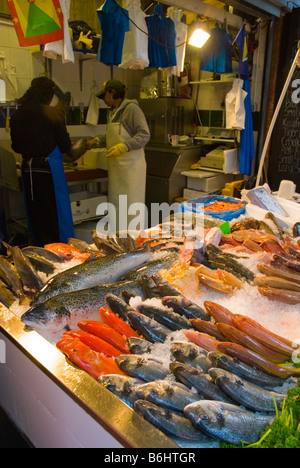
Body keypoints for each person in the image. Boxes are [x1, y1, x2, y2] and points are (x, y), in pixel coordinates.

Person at [10, 76, 75, 246]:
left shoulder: (17, 115)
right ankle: (63, 253)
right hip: (48, 169)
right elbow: (65, 145)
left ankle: (40, 251)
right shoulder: (50, 113)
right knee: (56, 215)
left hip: (28, 170)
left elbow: (15, 146)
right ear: (49, 94)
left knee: (36, 215)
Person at [86, 79, 150, 232]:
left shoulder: (131, 109)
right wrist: (96, 140)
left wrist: (124, 146)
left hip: (131, 170)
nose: (104, 100)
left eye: (105, 96)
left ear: (113, 93)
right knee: (117, 207)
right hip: (117, 171)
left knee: (131, 209)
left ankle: (135, 242)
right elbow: (110, 136)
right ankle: (119, 243)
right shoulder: (113, 111)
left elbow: (144, 135)